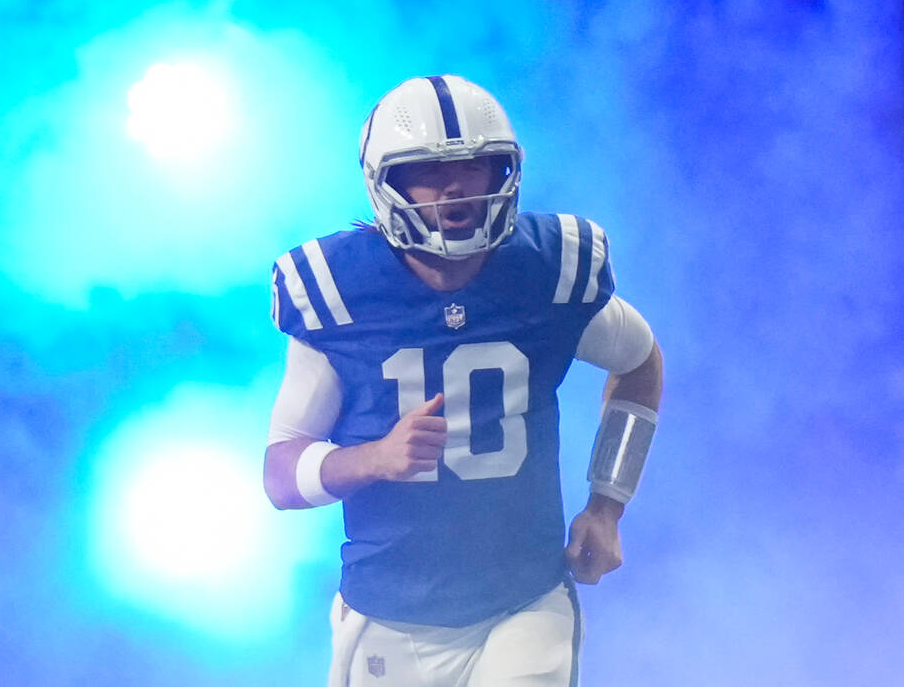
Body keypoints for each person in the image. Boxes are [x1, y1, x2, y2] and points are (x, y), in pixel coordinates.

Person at [264, 75, 663, 687]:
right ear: (384, 182)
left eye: (476, 167)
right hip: (390, 611)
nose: (454, 188)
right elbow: (280, 476)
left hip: (523, 600)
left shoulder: (547, 270)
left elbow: (640, 362)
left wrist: (607, 506)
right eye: (426, 170)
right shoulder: (341, 293)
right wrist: (372, 458)